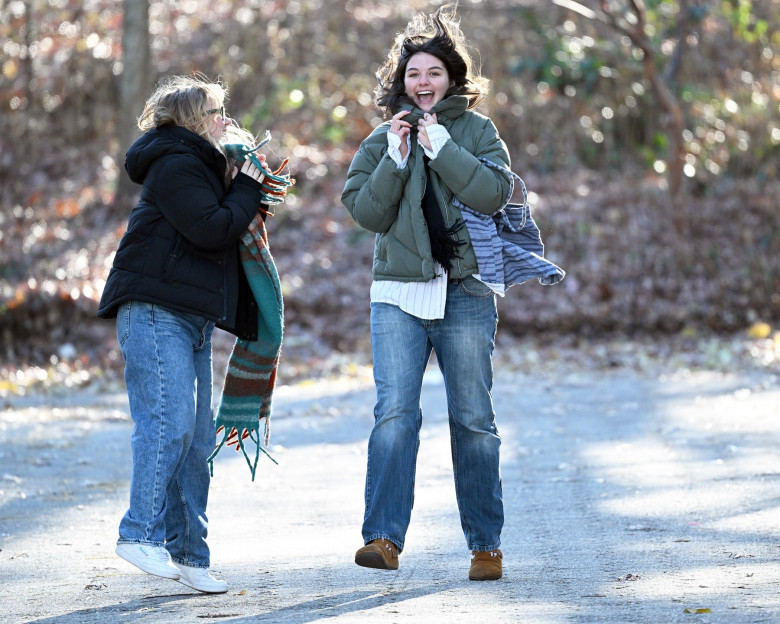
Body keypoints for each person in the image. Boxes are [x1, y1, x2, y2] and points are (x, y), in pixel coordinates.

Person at [342, 7, 512, 581]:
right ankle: (383, 539)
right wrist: (394, 158)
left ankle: (485, 545)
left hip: (465, 292)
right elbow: (366, 211)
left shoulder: (479, 132)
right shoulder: (380, 140)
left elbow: (493, 195)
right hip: (398, 295)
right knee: (394, 414)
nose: (423, 83)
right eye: (413, 74)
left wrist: (442, 146)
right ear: (402, 82)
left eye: (434, 73)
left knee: (472, 419)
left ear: (452, 78)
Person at [98, 74, 273, 593]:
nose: (226, 120)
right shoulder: (175, 164)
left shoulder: (203, 167)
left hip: (189, 316)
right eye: (217, 112)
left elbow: (225, 230)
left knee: (196, 441)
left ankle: (190, 556)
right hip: (155, 311)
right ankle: (138, 534)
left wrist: (243, 184)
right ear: (196, 119)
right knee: (168, 423)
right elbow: (214, 228)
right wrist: (246, 186)